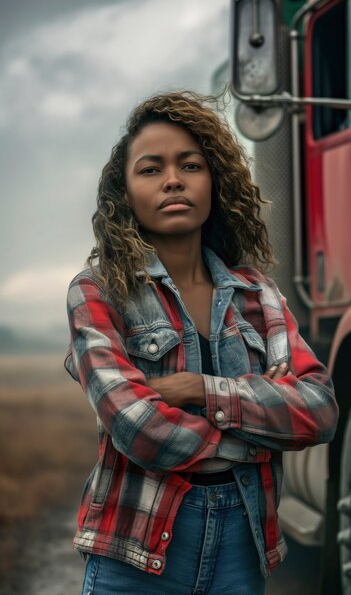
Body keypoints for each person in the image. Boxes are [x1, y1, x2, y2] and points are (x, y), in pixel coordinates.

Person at [65, 91, 338, 595]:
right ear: (124, 193)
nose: (173, 178)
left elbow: (320, 410)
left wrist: (198, 390)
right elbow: (137, 427)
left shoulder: (259, 294)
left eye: (190, 165)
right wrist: (258, 425)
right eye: (151, 169)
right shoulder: (99, 291)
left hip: (242, 546)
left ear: (214, 181)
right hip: (136, 553)